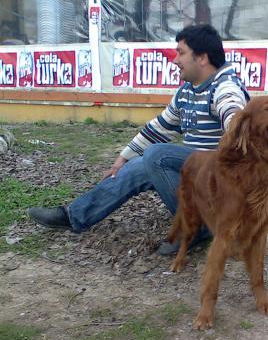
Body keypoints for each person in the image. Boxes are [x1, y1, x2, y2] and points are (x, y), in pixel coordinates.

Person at [28, 24, 250, 255]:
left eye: (181, 53)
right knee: (138, 166)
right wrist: (121, 160)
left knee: (157, 155)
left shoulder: (225, 87)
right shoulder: (187, 91)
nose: (175, 60)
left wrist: (236, 127)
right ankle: (74, 216)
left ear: (202, 58)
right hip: (201, 178)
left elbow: (233, 113)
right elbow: (159, 128)